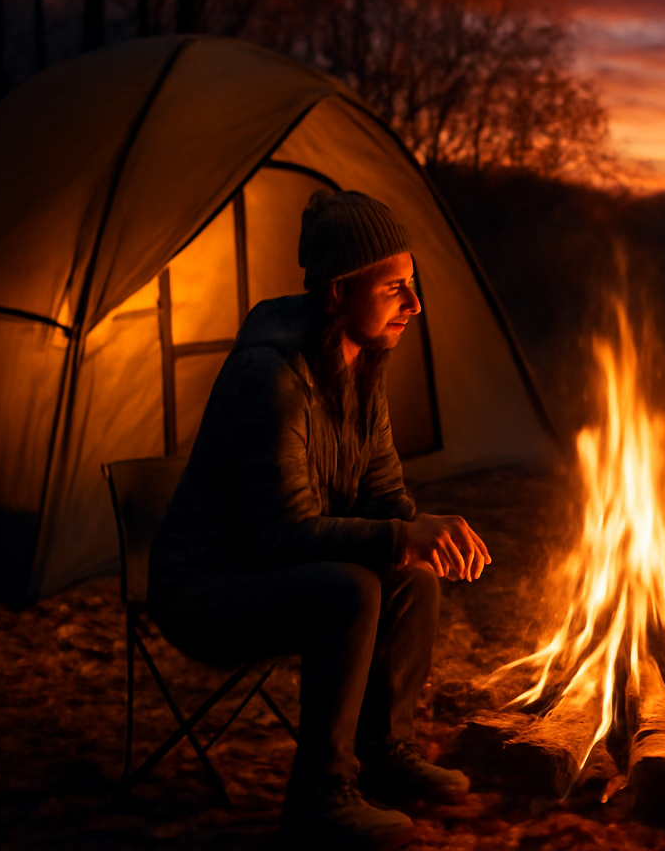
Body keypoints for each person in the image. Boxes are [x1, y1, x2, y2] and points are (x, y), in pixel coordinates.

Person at [149, 190, 492, 849]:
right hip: (205, 587)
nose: (414, 304)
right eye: (394, 288)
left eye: (412, 285)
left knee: (413, 578)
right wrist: (401, 536)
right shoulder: (271, 376)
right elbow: (280, 533)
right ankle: (319, 796)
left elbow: (384, 492)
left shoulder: (362, 365)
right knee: (350, 589)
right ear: (340, 291)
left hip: (271, 570)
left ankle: (383, 753)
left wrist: (419, 532)